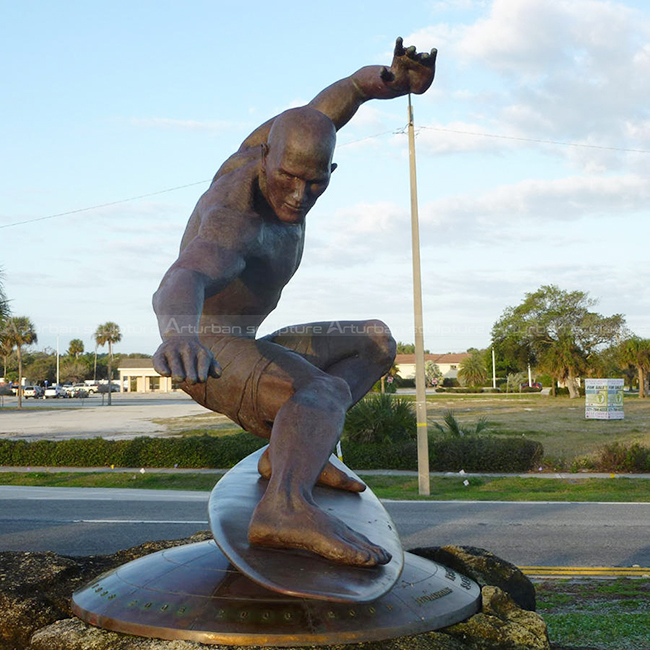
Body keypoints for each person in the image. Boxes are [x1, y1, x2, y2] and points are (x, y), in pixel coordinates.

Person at [152, 38, 436, 567]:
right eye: (288, 177)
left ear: (331, 170)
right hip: (209, 352)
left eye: (315, 181)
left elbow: (345, 93)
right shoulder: (235, 218)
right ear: (263, 156)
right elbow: (186, 273)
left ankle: (292, 453)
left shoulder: (289, 142)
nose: (299, 196)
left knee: (374, 342)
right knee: (323, 389)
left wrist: (390, 82)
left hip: (248, 343)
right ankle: (283, 507)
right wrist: (178, 333)